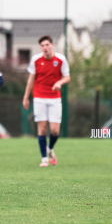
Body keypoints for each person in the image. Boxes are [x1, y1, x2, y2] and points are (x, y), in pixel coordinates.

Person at [22, 35, 70, 167]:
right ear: (40, 48)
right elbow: (31, 79)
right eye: (42, 45)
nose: (45, 47)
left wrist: (59, 83)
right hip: (39, 97)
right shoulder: (35, 59)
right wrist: (26, 97)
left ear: (52, 46)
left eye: (47, 45)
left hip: (55, 98)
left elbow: (67, 77)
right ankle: (44, 159)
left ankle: (50, 148)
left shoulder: (61, 59)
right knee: (42, 129)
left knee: (55, 131)